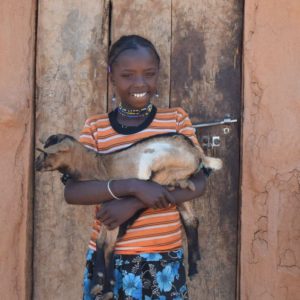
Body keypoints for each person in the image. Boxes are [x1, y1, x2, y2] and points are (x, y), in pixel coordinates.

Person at [63, 35, 209, 300]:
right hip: (108, 260)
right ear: (112, 76)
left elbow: (199, 181)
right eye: (128, 75)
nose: (140, 83)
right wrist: (133, 187)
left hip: (163, 257)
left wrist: (135, 203)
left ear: (158, 74)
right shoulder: (96, 129)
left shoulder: (175, 120)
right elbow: (73, 191)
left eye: (149, 74)